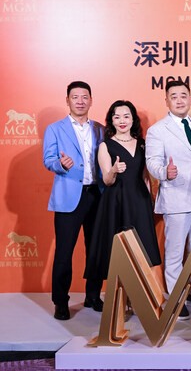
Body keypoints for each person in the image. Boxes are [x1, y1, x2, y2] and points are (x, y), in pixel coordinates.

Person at [146, 80, 191, 321]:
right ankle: (175, 299)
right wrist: (164, 172)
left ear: (190, 99)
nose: (180, 100)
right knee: (174, 253)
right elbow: (152, 161)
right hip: (176, 197)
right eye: (174, 96)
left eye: (184, 95)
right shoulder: (157, 130)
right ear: (167, 101)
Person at [43, 81, 104, 320]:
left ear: (91, 100)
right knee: (64, 252)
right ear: (67, 100)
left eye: (84, 96)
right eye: (75, 97)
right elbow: (48, 159)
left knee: (95, 249)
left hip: (96, 195)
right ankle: (60, 302)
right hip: (69, 197)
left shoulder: (100, 129)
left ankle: (93, 295)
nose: (80, 101)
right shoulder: (55, 129)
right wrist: (60, 164)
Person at [85, 100, 161, 286]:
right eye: (117, 117)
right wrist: (114, 170)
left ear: (133, 119)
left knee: (141, 247)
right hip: (116, 201)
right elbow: (107, 180)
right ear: (111, 120)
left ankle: (139, 293)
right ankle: (118, 293)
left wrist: (150, 199)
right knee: (117, 250)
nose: (122, 121)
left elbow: (145, 176)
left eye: (126, 116)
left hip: (139, 199)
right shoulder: (105, 146)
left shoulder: (142, 144)